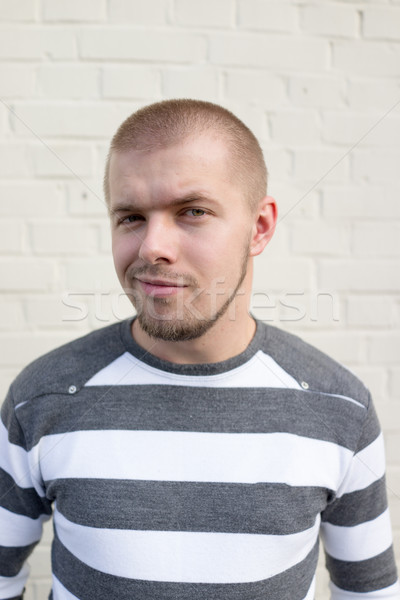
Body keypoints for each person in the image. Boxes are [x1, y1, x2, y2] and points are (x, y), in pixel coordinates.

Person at [0, 99, 398, 600]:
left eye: (192, 211)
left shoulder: (341, 409)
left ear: (259, 227)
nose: (151, 248)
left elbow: (370, 592)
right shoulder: (42, 397)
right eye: (130, 217)